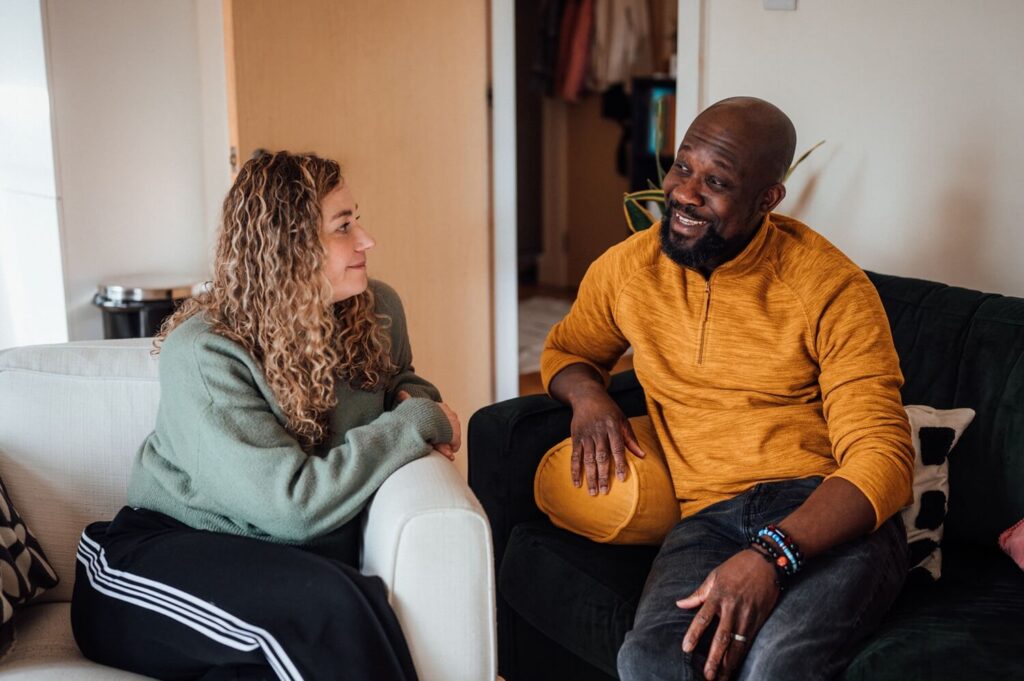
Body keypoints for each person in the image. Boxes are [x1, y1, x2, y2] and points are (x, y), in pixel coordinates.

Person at [541, 97, 914, 681]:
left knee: (773, 663)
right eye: (682, 167)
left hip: (823, 516)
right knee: (650, 660)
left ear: (768, 199)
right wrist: (589, 398)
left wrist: (773, 553)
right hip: (708, 518)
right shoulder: (626, 269)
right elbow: (569, 351)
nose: (686, 193)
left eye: (716, 181)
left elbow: (884, 457)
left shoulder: (830, 287)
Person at [71, 151, 461, 681]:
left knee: (340, 606)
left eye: (356, 220)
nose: (367, 240)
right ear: (289, 247)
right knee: (327, 607)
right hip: (155, 560)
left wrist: (408, 398)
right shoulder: (206, 352)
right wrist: (415, 422)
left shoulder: (376, 309)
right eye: (343, 226)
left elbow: (400, 381)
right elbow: (292, 507)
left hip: (282, 567)